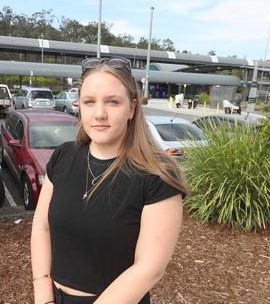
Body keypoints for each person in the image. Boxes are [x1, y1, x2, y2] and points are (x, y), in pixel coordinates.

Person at [31, 57, 189, 304]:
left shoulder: (158, 174)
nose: (99, 113)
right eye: (89, 102)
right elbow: (41, 227)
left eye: (113, 102)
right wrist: (43, 295)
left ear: (132, 108)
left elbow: (148, 268)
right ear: (79, 106)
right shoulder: (63, 156)